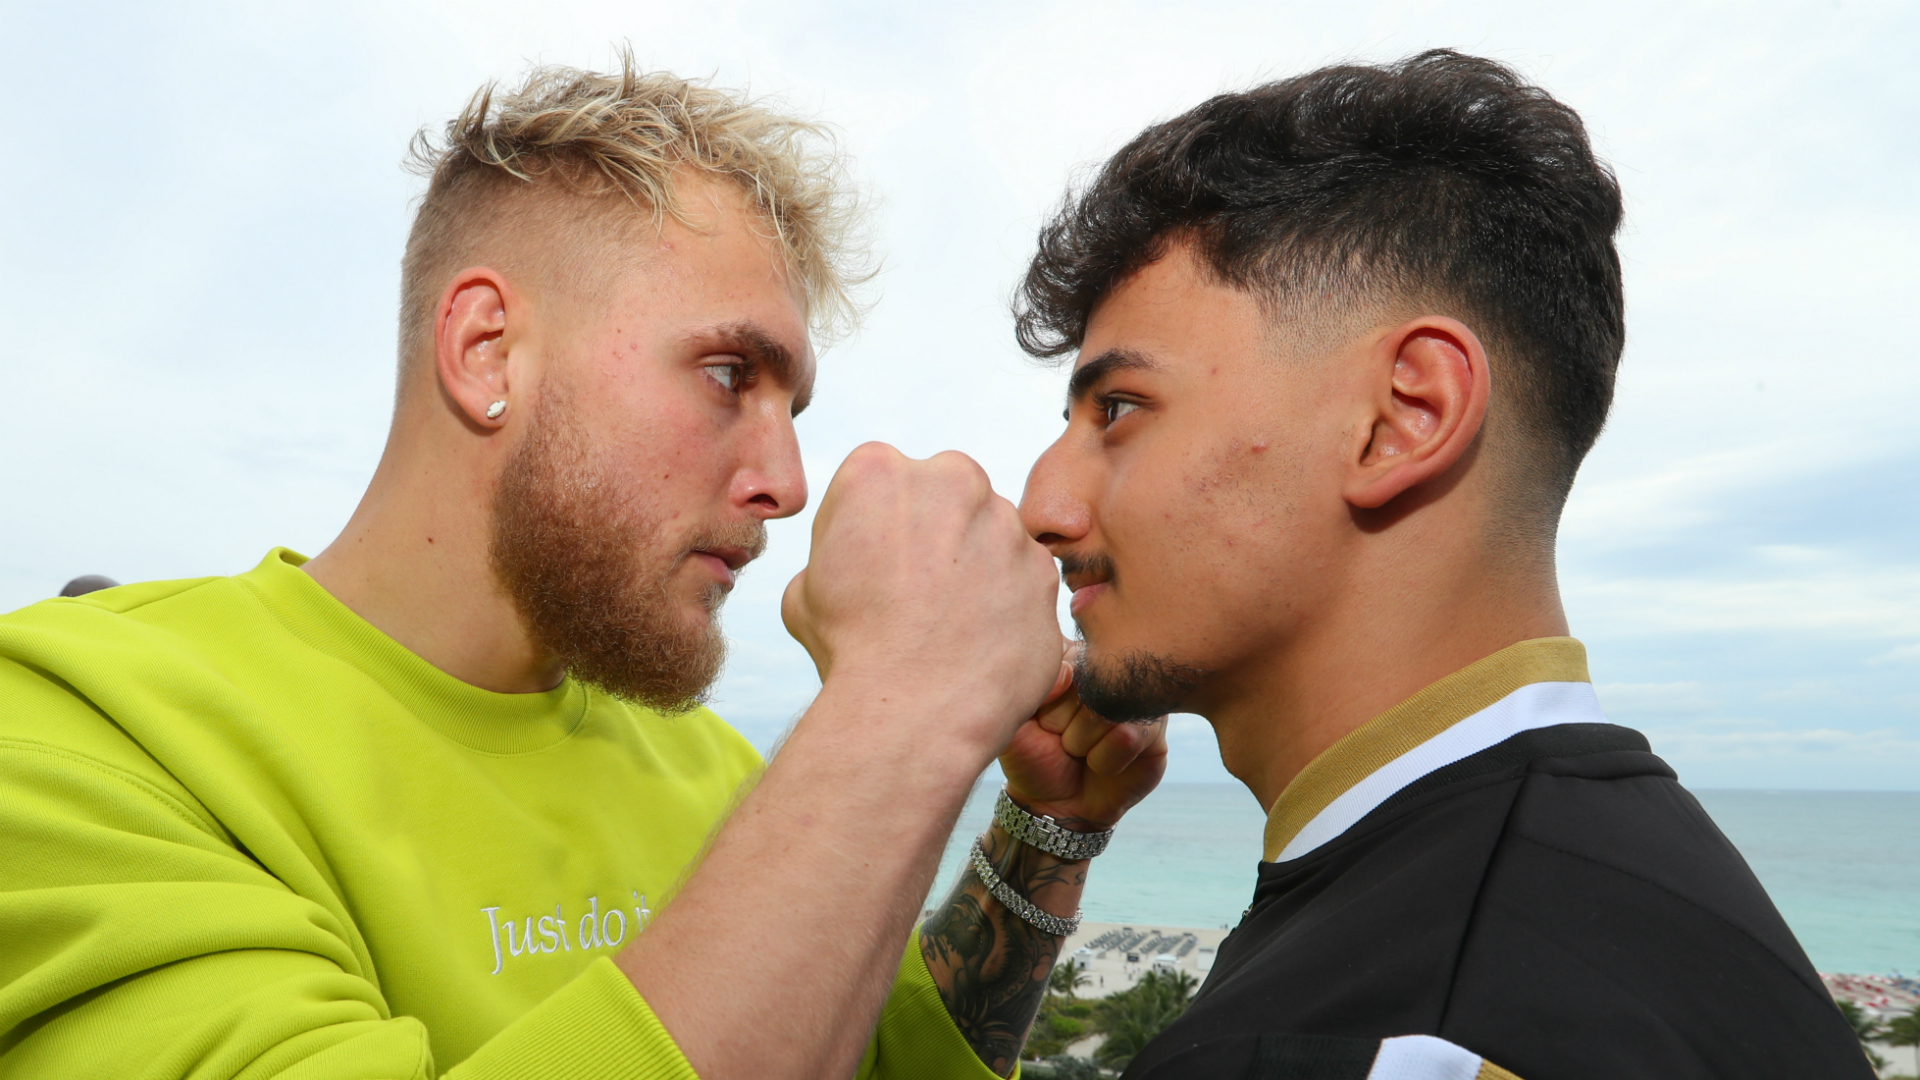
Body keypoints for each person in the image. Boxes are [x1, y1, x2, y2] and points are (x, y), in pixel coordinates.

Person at [0, 60, 1166, 1080]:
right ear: (486, 350)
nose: (787, 480)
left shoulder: (713, 769)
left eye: (793, 405)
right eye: (727, 377)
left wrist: (1042, 831)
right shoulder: (74, 738)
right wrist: (907, 699)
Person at [1012, 51, 1871, 1080]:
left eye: (1119, 411)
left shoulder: (1387, 1039)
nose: (1043, 509)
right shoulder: (1656, 890)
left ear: (1402, 419)